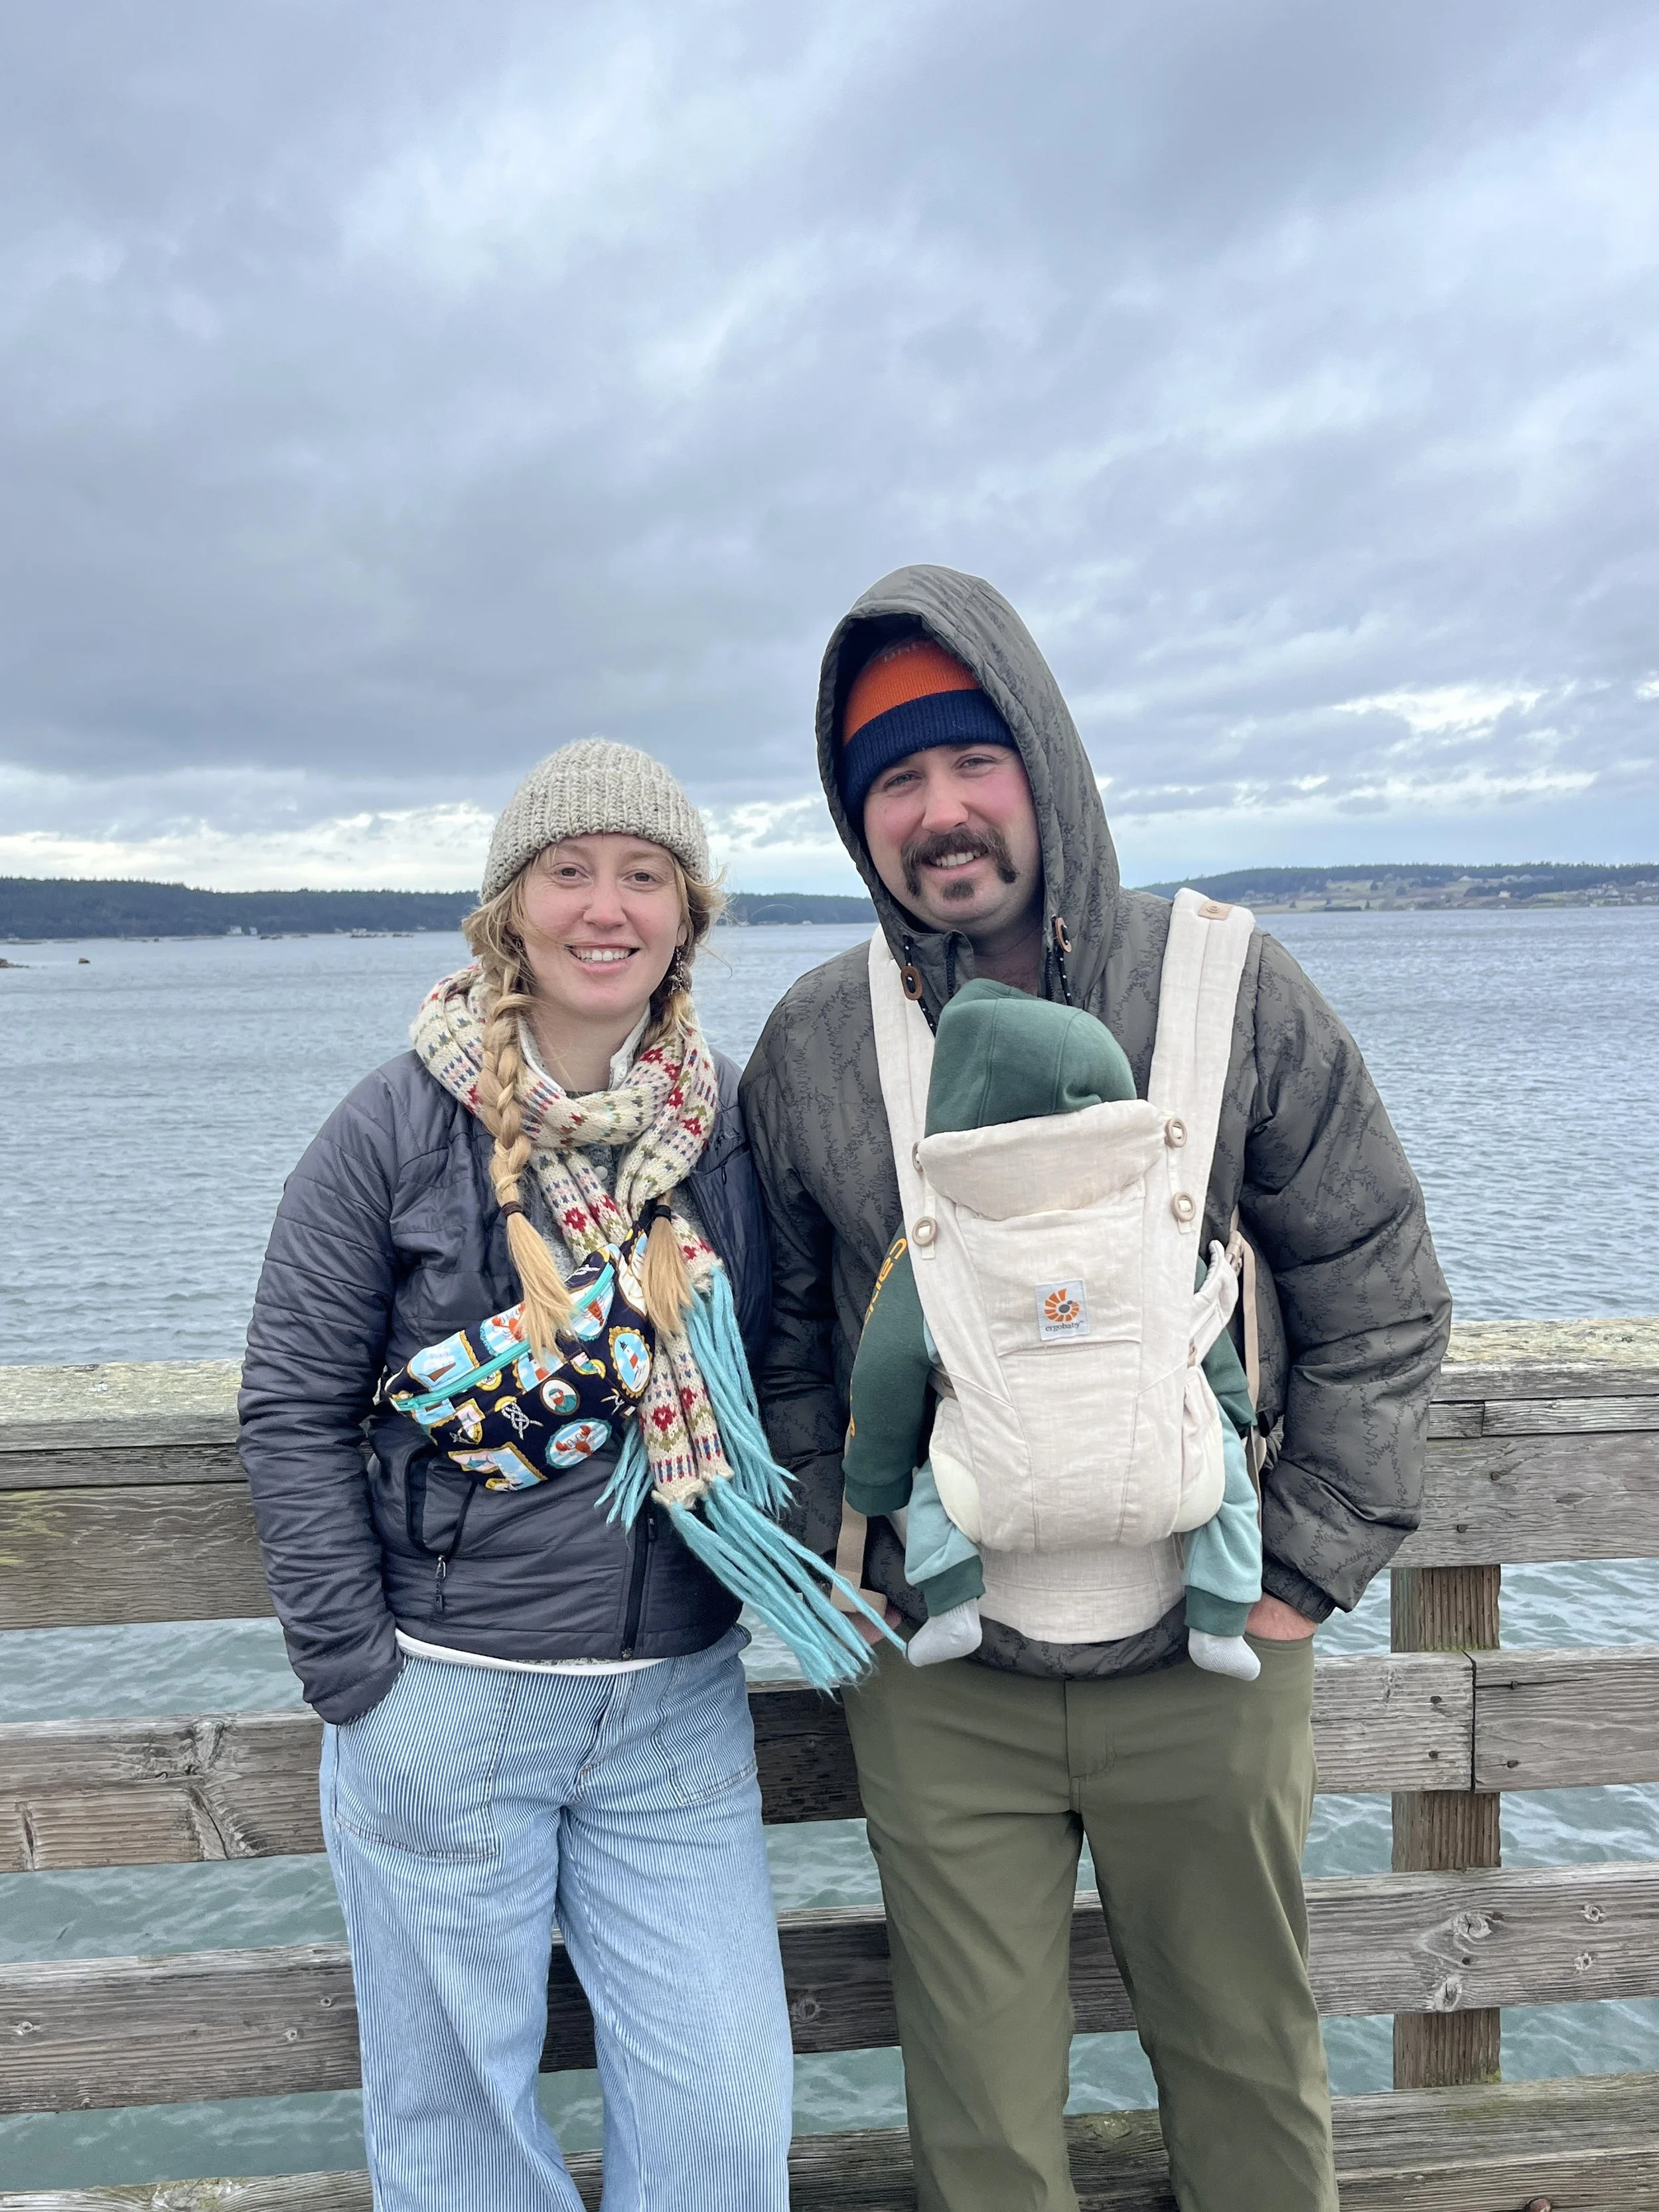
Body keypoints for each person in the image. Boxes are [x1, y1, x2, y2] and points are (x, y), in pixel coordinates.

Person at [740, 571, 1453, 2212]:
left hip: (1213, 1653)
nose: (938, 814)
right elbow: (785, 1344)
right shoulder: (812, 1044)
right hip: (941, 1679)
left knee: (1248, 2076)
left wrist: (1298, 1579)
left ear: (1044, 759)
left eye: (970, 757)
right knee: (980, 2124)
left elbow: (1380, 1290)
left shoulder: (1228, 982)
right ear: (859, 822)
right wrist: (836, 1575)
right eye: (890, 784)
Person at [240, 739, 817, 2212]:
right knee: (458, 2143)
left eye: (643, 875)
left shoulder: (731, 1122)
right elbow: (293, 1404)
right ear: (510, 911)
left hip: (676, 1702)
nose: (603, 906)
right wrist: (350, 1668)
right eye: (568, 871)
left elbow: (800, 1352)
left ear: (688, 913)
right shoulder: (393, 1123)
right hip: (445, 1693)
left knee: (726, 2127)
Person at [841, 978, 1262, 1678]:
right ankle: (1219, 1620)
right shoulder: (1151, 1216)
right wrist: (1237, 1408)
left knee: (932, 1478)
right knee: (1224, 1478)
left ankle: (951, 1607)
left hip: (988, 1487)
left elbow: (883, 1371)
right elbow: (1198, 1330)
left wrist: (873, 1481)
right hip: (1167, 1474)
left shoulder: (931, 1242)